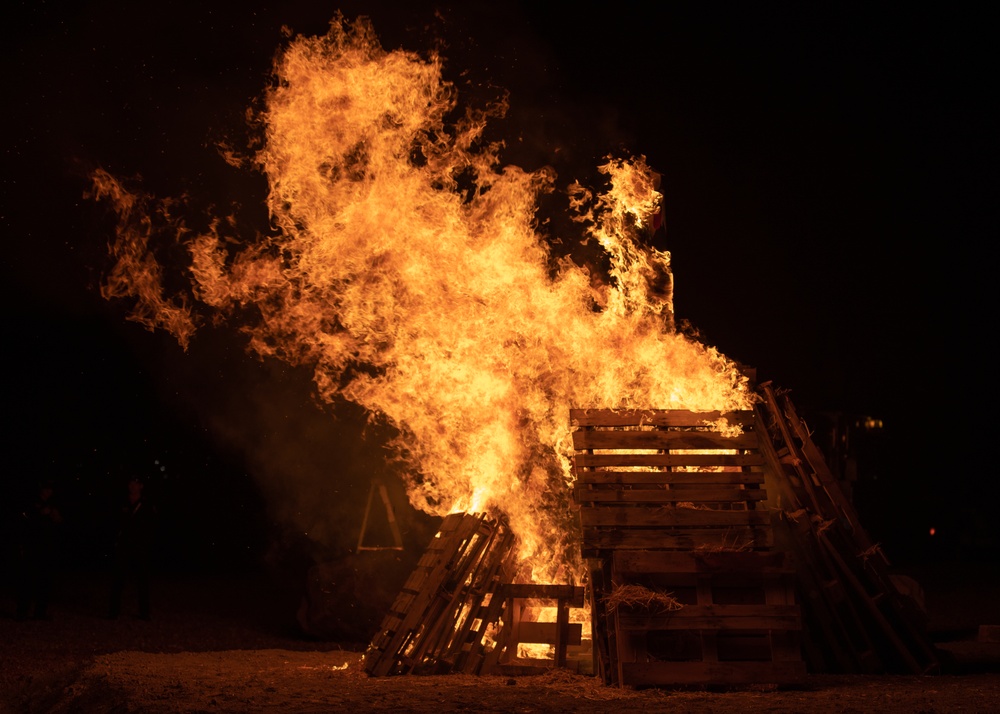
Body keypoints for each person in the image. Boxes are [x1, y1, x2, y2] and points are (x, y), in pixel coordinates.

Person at [15, 481, 63, 620]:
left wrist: (57, 517)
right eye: (45, 489)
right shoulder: (31, 503)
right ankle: (22, 611)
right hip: (33, 547)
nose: (47, 492)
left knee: (45, 581)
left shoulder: (54, 504)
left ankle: (40, 612)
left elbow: (60, 523)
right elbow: (24, 520)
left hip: (48, 548)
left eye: (50, 489)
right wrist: (40, 513)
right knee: (27, 579)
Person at [108, 477, 154, 620]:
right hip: (123, 546)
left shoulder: (146, 504)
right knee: (118, 580)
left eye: (135, 484)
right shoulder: (122, 502)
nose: (132, 487)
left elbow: (151, 526)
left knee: (142, 581)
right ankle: (113, 612)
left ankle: (144, 613)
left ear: (141, 486)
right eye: (130, 484)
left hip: (140, 547)